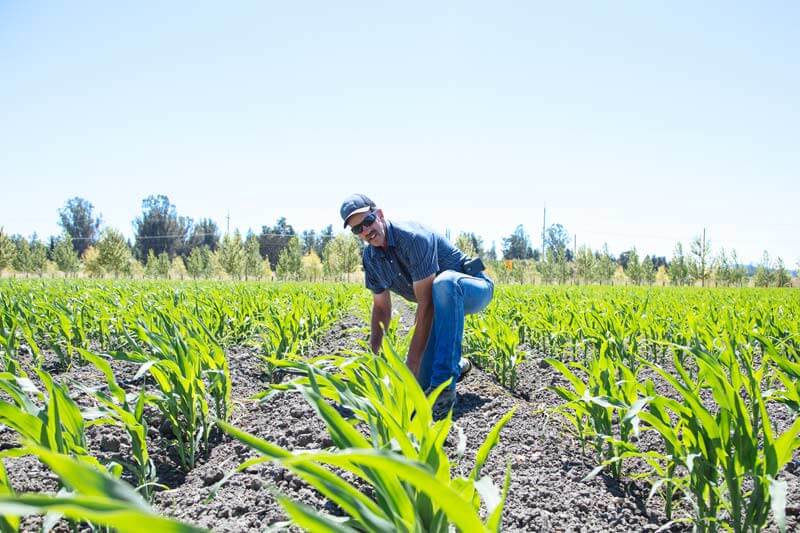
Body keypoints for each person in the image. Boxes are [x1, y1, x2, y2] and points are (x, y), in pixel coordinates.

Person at [340, 193, 494, 412]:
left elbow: (427, 305)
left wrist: (411, 365)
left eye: (367, 221)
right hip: (439, 303)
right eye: (358, 229)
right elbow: (382, 308)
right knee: (420, 384)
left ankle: (444, 390)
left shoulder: (413, 238)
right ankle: (457, 365)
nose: (366, 231)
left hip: (471, 288)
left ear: (380, 214)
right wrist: (371, 359)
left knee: (444, 283)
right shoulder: (371, 259)